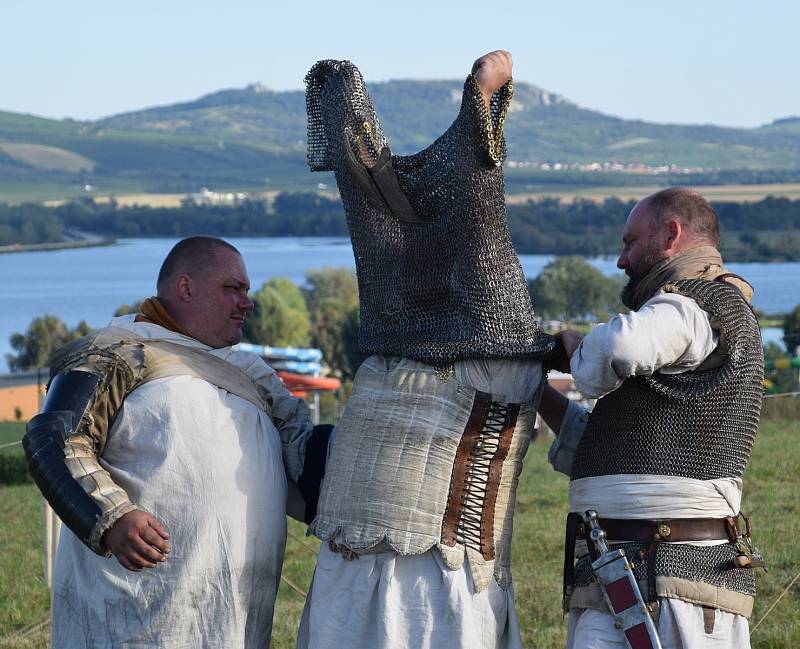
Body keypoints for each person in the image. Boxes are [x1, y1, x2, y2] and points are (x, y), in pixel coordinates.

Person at [298, 52, 554, 649]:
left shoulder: (399, 251)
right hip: (399, 558)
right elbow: (474, 183)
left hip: (419, 560)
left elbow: (459, 182)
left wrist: (344, 103)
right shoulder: (481, 293)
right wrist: (480, 101)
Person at [23, 236, 329, 648]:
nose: (247, 302)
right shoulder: (119, 353)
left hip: (233, 613)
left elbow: (304, 455)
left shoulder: (254, 376)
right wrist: (111, 517)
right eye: (232, 289)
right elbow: (55, 438)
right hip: (135, 610)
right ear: (185, 287)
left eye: (247, 291)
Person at [540, 188, 764, 648]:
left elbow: (620, 347)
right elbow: (607, 451)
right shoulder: (680, 324)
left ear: (670, 234)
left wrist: (576, 346)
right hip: (617, 569)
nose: (621, 260)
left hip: (677, 574)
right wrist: (535, 390)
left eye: (630, 242)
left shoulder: (700, 304)